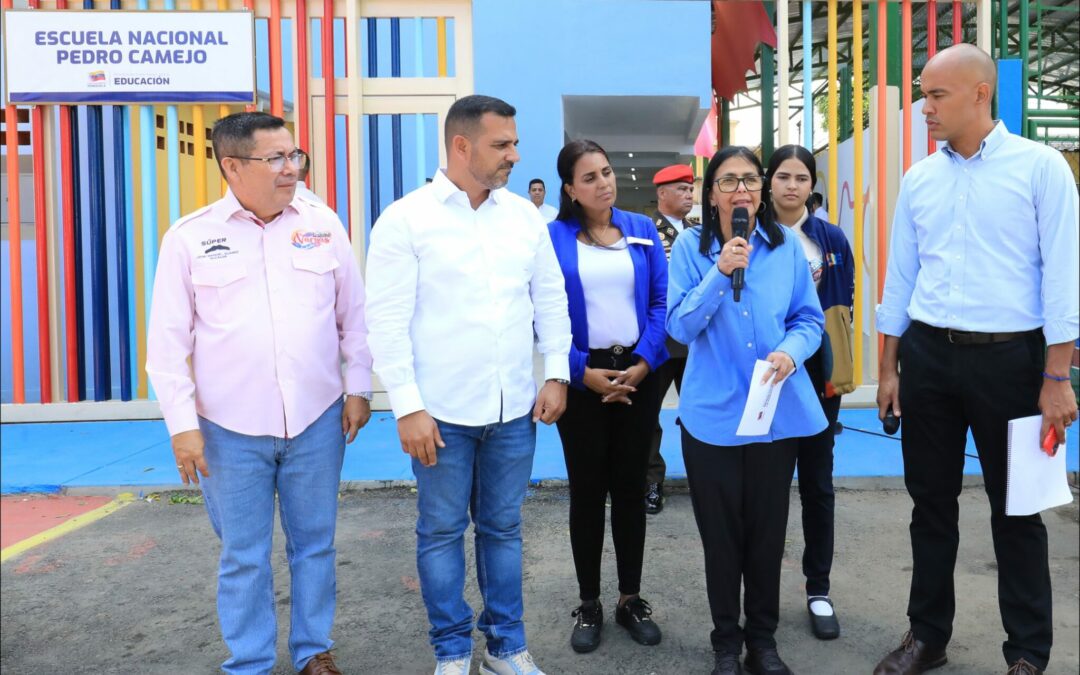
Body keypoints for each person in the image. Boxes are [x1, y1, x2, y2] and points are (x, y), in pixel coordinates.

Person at [873, 43, 1079, 675]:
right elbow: (900, 278)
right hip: (930, 358)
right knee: (929, 504)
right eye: (922, 94)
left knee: (1017, 510)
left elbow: (1063, 281)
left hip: (1013, 364)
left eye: (936, 95)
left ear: (980, 93)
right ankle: (926, 637)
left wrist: (1056, 377)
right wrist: (889, 370)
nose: (923, 107)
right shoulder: (919, 178)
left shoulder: (1040, 168)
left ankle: (1026, 655)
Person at [146, 111, 372, 675]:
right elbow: (167, 345)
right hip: (227, 429)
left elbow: (356, 318)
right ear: (232, 166)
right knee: (242, 555)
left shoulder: (323, 224)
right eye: (275, 158)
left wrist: (359, 388)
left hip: (317, 419)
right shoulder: (190, 237)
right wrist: (182, 427)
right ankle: (248, 660)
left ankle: (313, 651)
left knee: (314, 544)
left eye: (294, 155)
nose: (291, 168)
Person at [364, 95, 572, 675]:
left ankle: (506, 647)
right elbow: (385, 320)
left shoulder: (523, 217)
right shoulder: (406, 219)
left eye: (513, 142)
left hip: (513, 411)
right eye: (501, 144)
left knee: (504, 529)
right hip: (441, 414)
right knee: (440, 532)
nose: (514, 155)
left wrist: (554, 372)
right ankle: (452, 652)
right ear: (462, 146)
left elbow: (549, 299)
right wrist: (407, 406)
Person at [667, 146, 825, 675]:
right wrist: (720, 271)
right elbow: (680, 326)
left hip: (774, 417)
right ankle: (726, 646)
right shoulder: (691, 247)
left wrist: (791, 351)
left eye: (749, 181)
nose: (741, 191)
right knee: (722, 540)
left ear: (760, 191)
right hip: (713, 418)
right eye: (729, 181)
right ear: (711, 193)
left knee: (765, 534)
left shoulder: (786, 249)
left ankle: (763, 641)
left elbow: (810, 319)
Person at [547, 139, 669, 654]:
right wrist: (581, 372)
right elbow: (543, 312)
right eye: (590, 177)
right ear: (571, 189)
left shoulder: (640, 230)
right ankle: (590, 601)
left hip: (638, 374)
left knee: (630, 488)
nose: (604, 183)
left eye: (607, 172)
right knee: (588, 492)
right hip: (583, 377)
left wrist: (643, 362)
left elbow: (662, 301)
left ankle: (629, 598)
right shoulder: (552, 237)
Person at [766, 144, 855, 641]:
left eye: (801, 177)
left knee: (818, 484)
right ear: (769, 181)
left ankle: (818, 588)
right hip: (768, 378)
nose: (792, 186)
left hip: (818, 383)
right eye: (783, 176)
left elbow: (843, 304)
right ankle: (762, 595)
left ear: (811, 185)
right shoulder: (753, 235)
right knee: (768, 489)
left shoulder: (830, 237)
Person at [644, 163, 695, 515]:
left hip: (694, 339)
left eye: (691, 189)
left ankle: (705, 476)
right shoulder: (646, 231)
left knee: (698, 410)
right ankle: (651, 481)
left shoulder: (700, 231)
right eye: (681, 189)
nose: (689, 195)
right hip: (660, 338)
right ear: (662, 194)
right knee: (648, 414)